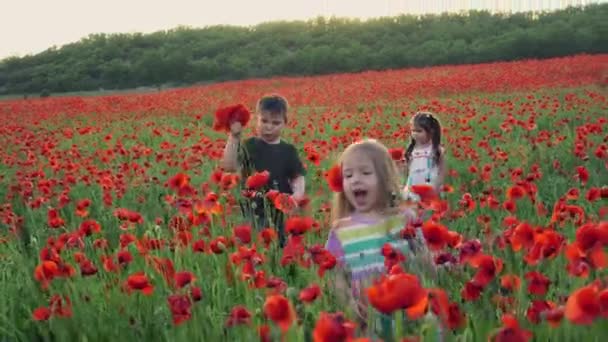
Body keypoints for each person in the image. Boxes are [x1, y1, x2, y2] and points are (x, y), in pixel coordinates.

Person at [324, 139, 434, 339]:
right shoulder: (341, 230)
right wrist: (348, 302)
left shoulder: (403, 219)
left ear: (384, 179)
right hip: (367, 316)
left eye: (365, 173)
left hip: (408, 309)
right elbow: (336, 275)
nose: (355, 180)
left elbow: (424, 257)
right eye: (348, 175)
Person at [220, 94, 306, 247]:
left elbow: (297, 177)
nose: (269, 126)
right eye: (264, 121)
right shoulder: (249, 146)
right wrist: (234, 136)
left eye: (276, 122)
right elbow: (228, 166)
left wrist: (297, 196)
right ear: (256, 120)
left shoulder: (288, 150)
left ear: (285, 123)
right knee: (256, 249)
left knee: (280, 247)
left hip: (280, 211)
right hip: (252, 211)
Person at [402, 111, 447, 202]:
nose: (415, 134)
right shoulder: (411, 150)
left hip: (430, 185)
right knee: (413, 211)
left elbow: (442, 171)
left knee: (428, 211)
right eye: (413, 131)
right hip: (413, 185)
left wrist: (437, 186)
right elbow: (407, 170)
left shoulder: (435, 149)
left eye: (419, 131)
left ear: (431, 132)